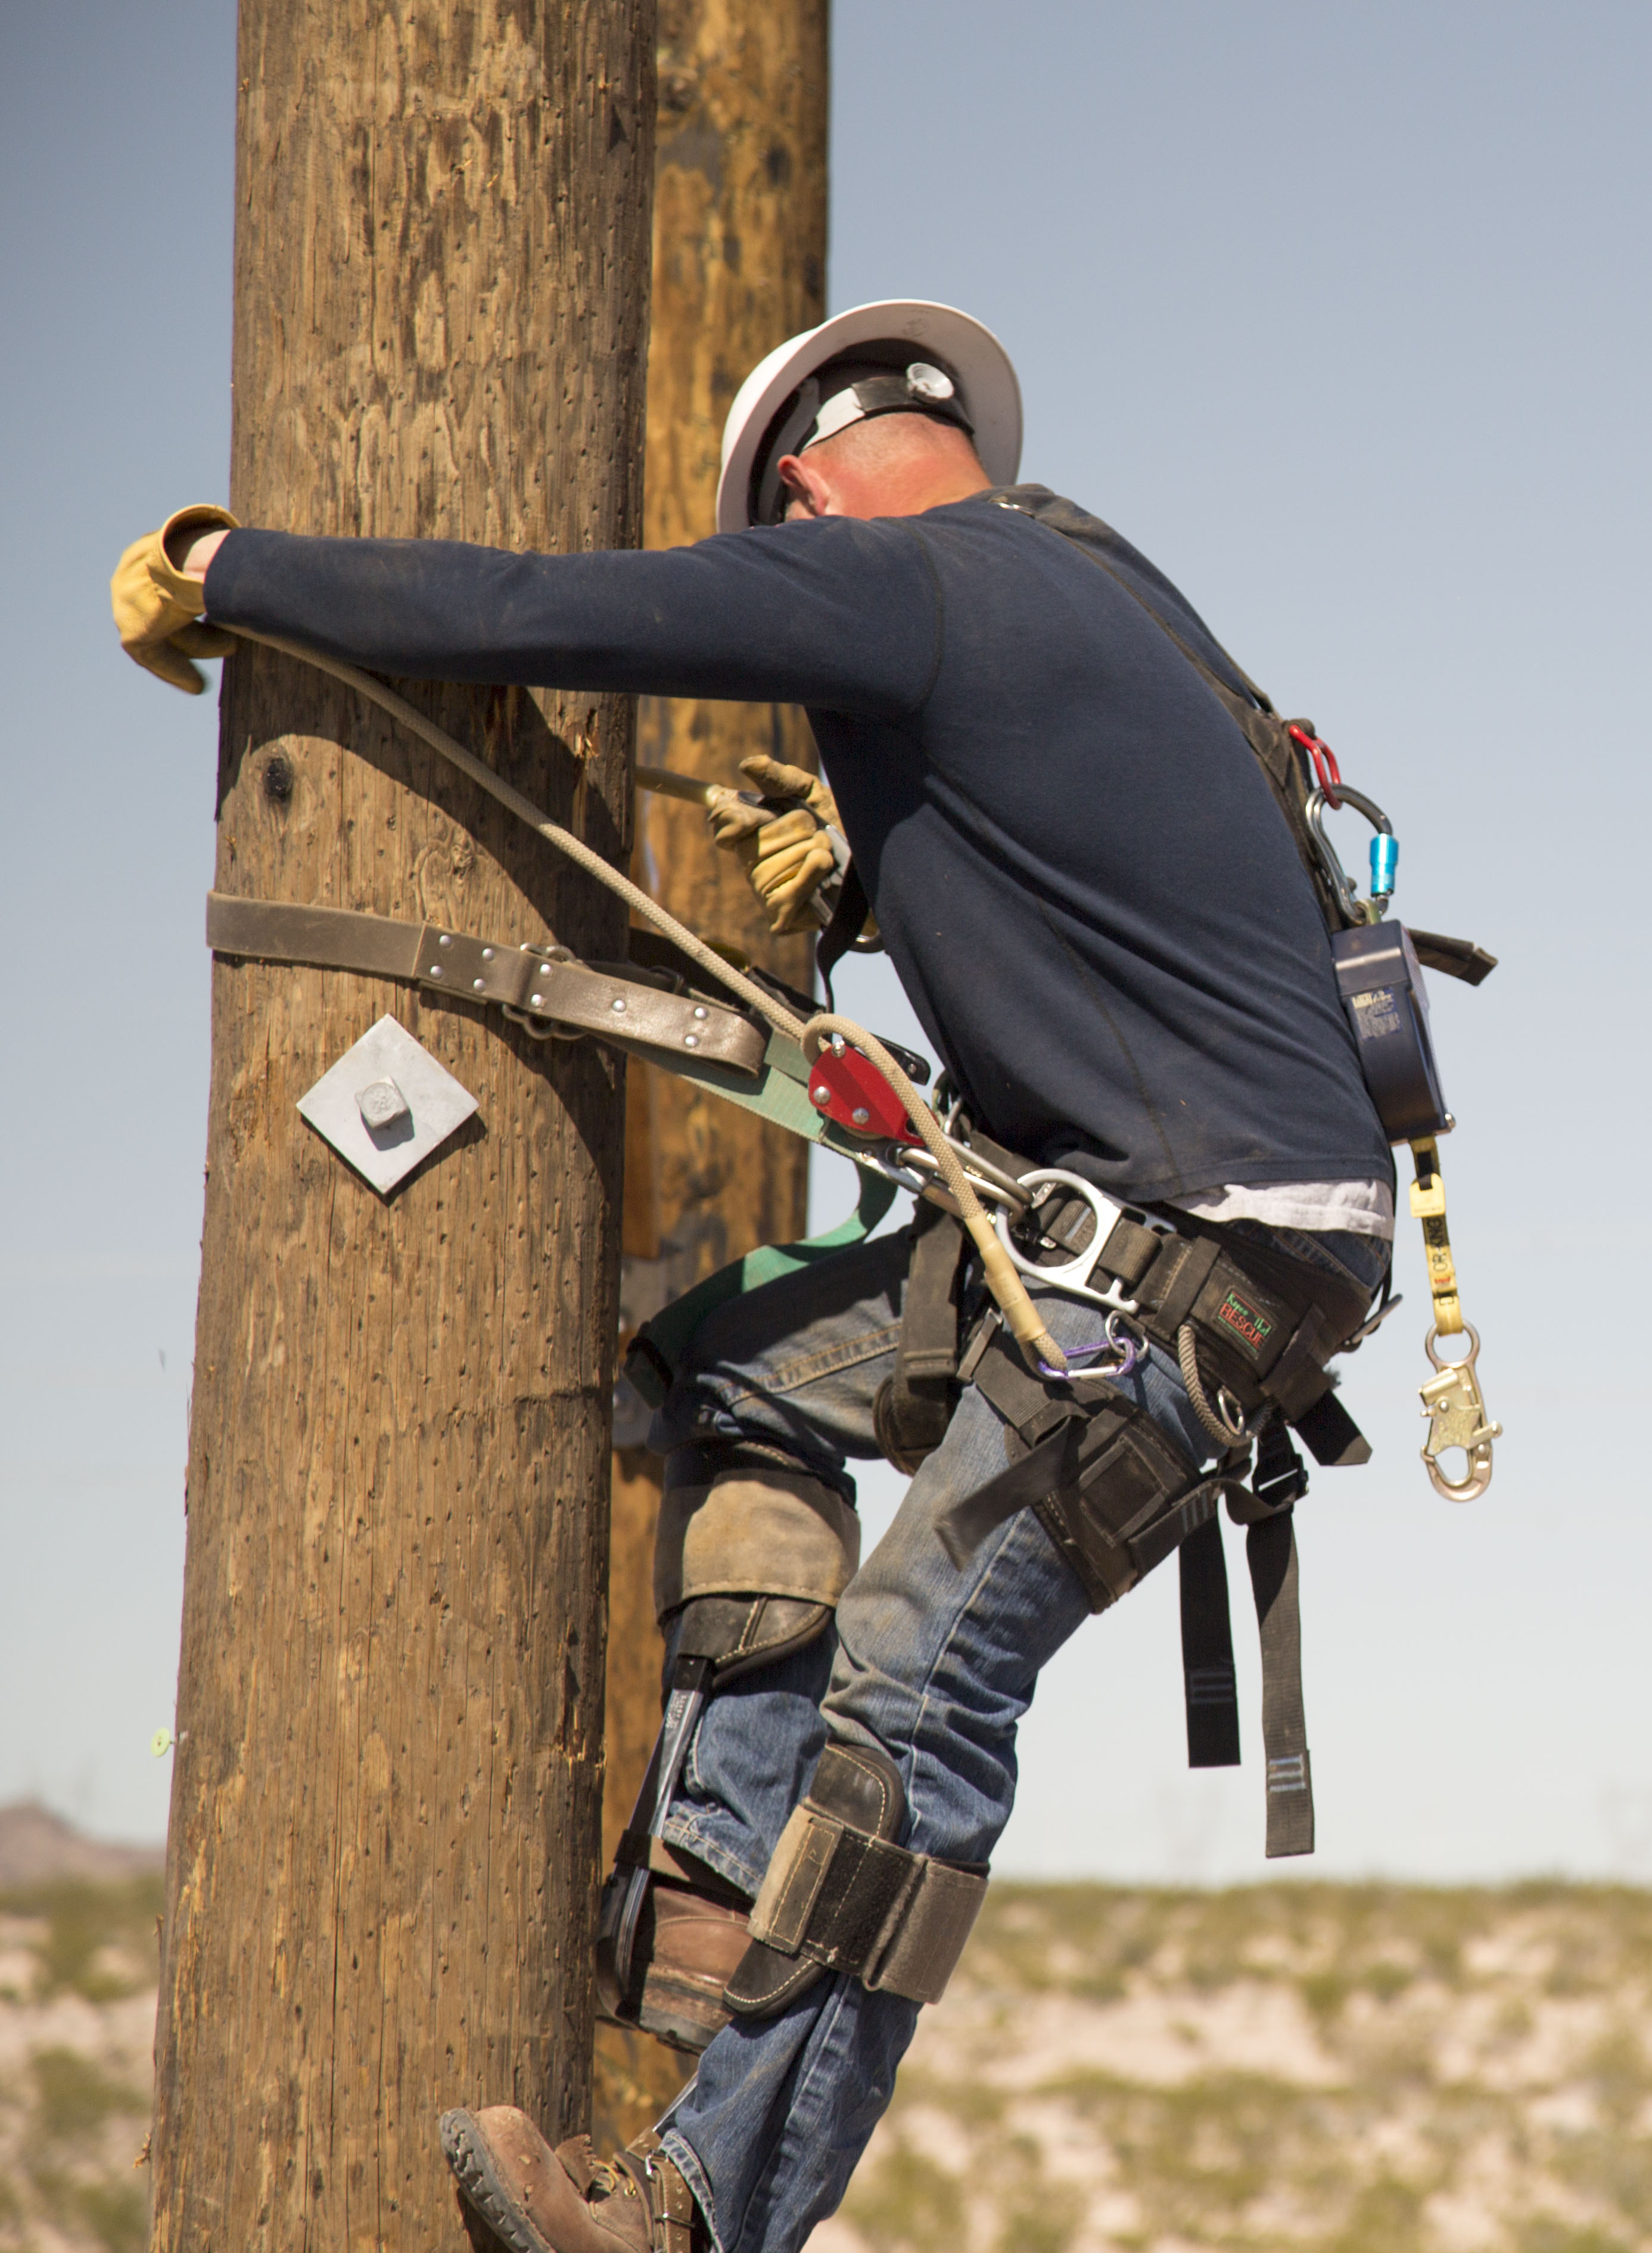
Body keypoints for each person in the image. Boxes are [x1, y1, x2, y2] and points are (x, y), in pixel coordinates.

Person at [115, 303, 1397, 2253]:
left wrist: (244, 573)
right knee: (747, 1365)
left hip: (1190, 1265)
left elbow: (555, 613)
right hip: (1156, 1225)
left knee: (916, 1687)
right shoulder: (1088, 580)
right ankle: (717, 1893)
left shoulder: (907, 585)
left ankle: (705, 2216)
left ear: (803, 490)